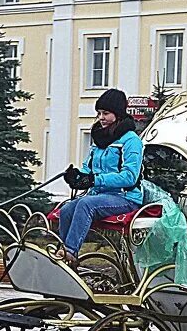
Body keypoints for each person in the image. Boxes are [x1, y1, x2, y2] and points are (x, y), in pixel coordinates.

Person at [57, 89, 143, 265]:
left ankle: (70, 252)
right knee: (66, 210)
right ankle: (62, 253)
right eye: (99, 113)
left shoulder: (131, 140)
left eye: (106, 113)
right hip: (100, 195)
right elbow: (88, 168)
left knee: (85, 204)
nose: (101, 117)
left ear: (118, 114)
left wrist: (95, 180)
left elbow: (129, 177)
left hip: (125, 197)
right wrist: (78, 177)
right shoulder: (100, 139)